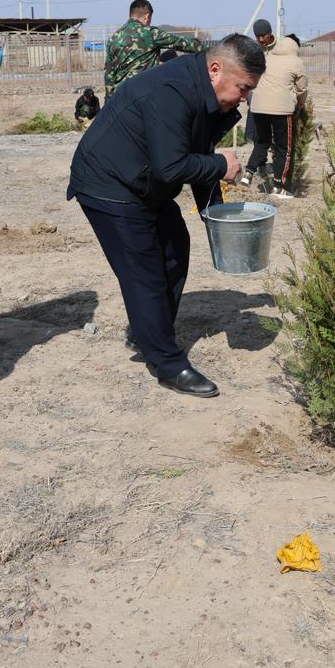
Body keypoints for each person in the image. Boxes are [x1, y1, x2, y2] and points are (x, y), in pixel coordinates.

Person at [68, 34, 265, 397]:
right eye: (242, 88)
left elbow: (197, 148)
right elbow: (172, 168)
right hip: (109, 184)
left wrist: (216, 215)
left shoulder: (202, 91)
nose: (244, 98)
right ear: (215, 69)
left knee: (175, 245)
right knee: (144, 270)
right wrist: (222, 164)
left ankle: (151, 332)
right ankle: (167, 363)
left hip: (142, 179)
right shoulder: (172, 90)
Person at [241, 20, 308, 198]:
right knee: (283, 149)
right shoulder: (295, 61)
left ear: (272, 34)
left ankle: (248, 173)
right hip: (282, 110)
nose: (261, 39)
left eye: (263, 36)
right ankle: (279, 187)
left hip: (258, 108)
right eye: (259, 36)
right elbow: (302, 89)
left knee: (262, 142)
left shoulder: (266, 56)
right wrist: (300, 106)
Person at [104, 0, 204, 98]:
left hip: (121, 97)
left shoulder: (113, 38)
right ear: (147, 16)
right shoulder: (150, 33)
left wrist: (109, 101)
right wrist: (211, 50)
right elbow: (182, 43)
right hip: (143, 95)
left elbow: (109, 75)